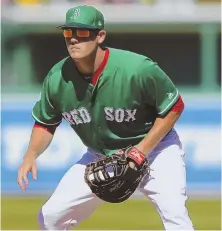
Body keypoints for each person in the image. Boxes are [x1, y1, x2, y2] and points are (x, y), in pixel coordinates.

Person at [17, 4, 194, 230]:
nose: (73, 39)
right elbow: (46, 122)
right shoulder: (57, 78)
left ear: (100, 35)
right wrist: (31, 154)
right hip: (100, 156)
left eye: (81, 33)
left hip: (156, 151)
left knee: (175, 214)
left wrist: (141, 151)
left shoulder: (137, 69)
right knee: (50, 217)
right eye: (68, 33)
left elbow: (174, 107)